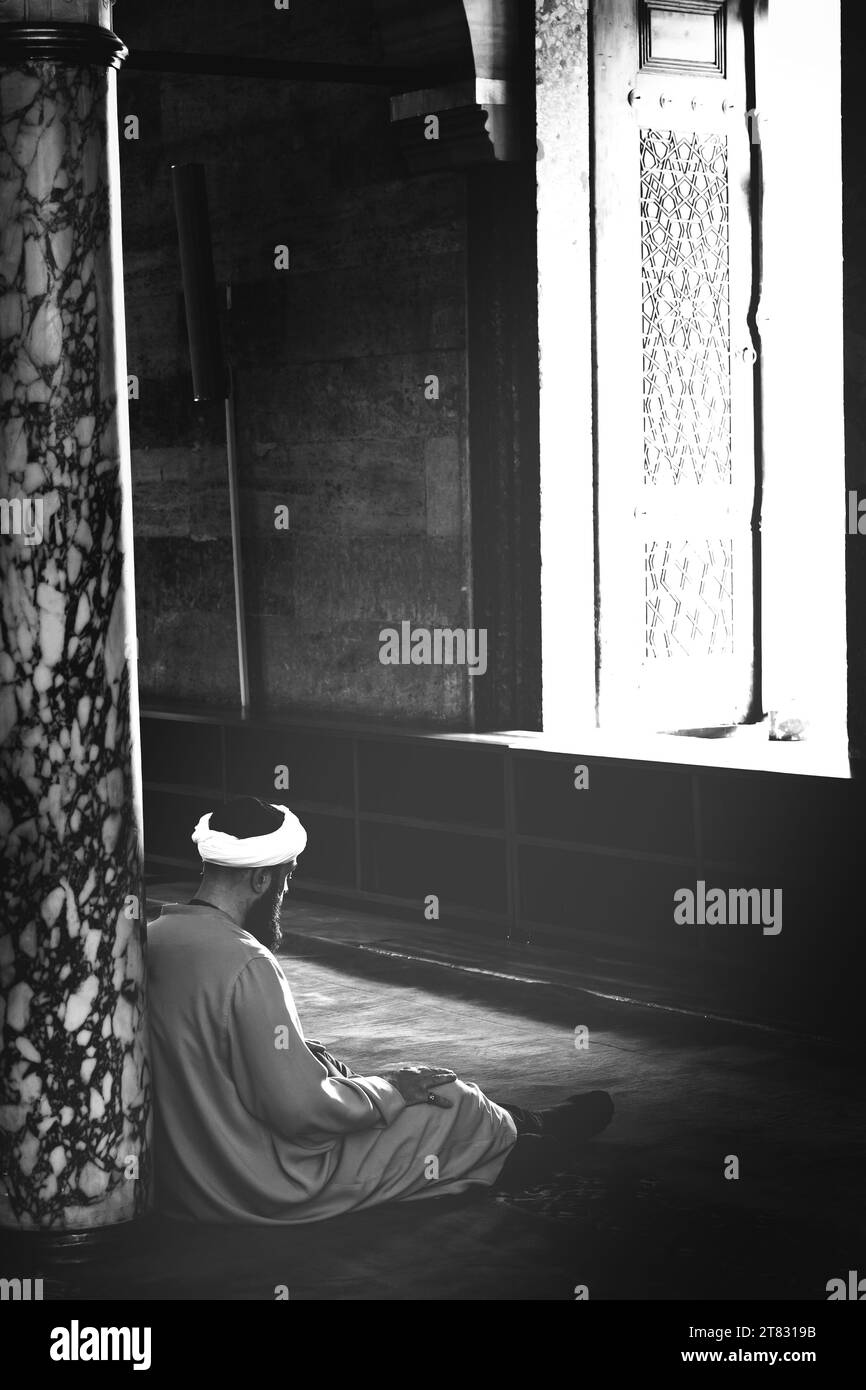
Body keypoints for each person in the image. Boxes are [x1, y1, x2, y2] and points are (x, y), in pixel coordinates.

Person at [146, 797, 613, 1225]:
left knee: (395, 1090)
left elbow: (207, 1047)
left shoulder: (153, 939)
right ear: (261, 878)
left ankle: (524, 1129)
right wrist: (389, 1089)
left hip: (192, 1179)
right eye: (287, 879)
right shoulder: (249, 962)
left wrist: (306, 1058)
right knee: (449, 1097)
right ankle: (532, 1141)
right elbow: (302, 1112)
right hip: (264, 1183)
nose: (285, 894)